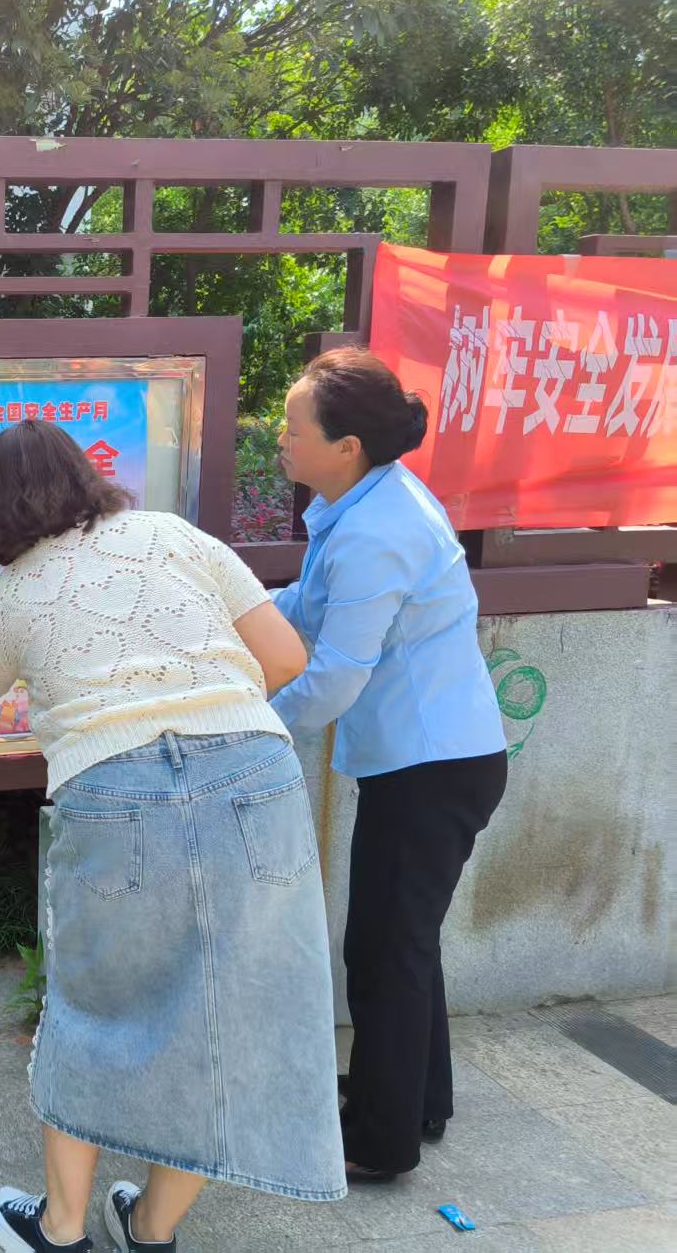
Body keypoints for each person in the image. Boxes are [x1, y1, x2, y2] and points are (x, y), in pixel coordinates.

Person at [0, 421, 345, 1253]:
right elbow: (284, 657)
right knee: (233, 1010)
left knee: (92, 1005)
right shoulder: (172, 535)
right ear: (82, 476)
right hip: (255, 777)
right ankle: (150, 1227)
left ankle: (61, 1230)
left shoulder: (13, 597)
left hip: (114, 788)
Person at [271, 348, 508, 1180]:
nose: (280, 439)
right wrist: (233, 612)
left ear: (346, 446)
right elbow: (308, 607)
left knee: (384, 950)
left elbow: (336, 674)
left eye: (294, 428)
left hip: (430, 770)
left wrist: (256, 726)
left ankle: (380, 1140)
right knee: (401, 941)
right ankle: (413, 1099)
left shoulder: (377, 530)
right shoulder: (369, 499)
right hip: (434, 760)